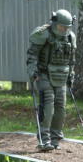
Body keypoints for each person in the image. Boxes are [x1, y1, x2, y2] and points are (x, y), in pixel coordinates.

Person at [26, 9, 76, 151]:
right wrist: (32, 71)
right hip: (43, 75)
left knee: (60, 108)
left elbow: (71, 60)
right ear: (54, 23)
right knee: (48, 106)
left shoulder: (70, 37)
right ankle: (44, 139)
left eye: (67, 27)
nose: (64, 29)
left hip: (61, 76)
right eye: (62, 26)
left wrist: (71, 74)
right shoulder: (42, 34)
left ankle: (55, 140)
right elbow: (32, 55)